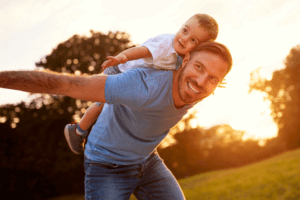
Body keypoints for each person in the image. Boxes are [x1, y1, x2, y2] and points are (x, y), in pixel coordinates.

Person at [0, 41, 232, 200]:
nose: (201, 82)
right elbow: (67, 85)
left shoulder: (199, 89)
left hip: (147, 161)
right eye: (199, 67)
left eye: (213, 78)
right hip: (107, 165)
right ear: (186, 59)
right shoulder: (141, 86)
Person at [64, 13, 219, 154]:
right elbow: (142, 50)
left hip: (138, 84)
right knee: (102, 105)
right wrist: (122, 57)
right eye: (185, 31)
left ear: (200, 48)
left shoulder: (187, 58)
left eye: (193, 40)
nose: (185, 38)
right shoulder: (165, 45)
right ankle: (78, 130)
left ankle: (126, 146)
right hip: (121, 71)